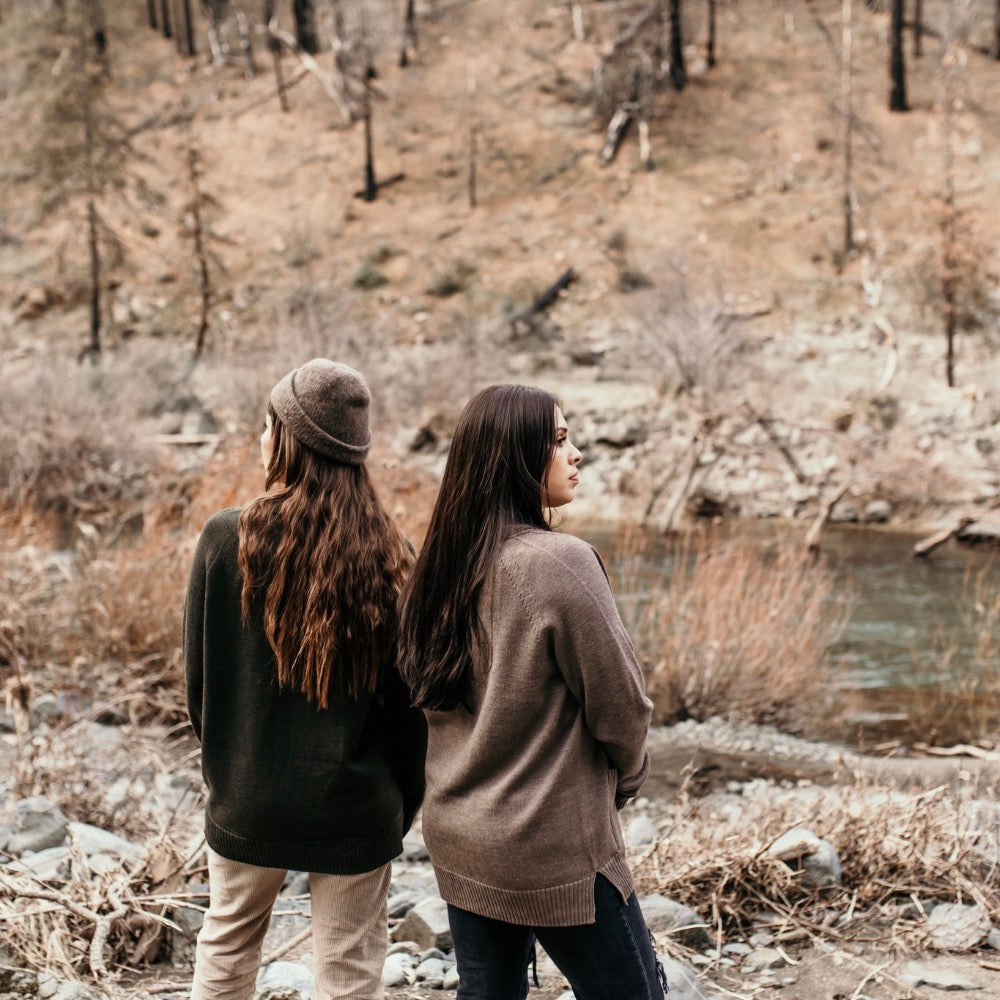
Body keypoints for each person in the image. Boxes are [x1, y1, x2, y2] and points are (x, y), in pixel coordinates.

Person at [398, 384, 667, 1000]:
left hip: (464, 837)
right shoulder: (559, 561)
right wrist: (625, 778)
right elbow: (622, 705)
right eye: (560, 440)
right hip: (556, 847)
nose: (576, 455)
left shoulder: (438, 566)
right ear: (516, 457)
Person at [183, 359, 426, 1000]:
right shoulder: (391, 553)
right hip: (356, 803)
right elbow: (408, 710)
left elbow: (200, 689)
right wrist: (402, 805)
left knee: (228, 945)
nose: (261, 438)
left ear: (289, 439)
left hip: (248, 797)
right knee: (348, 972)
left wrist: (230, 773)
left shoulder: (225, 537)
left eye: (268, 425)